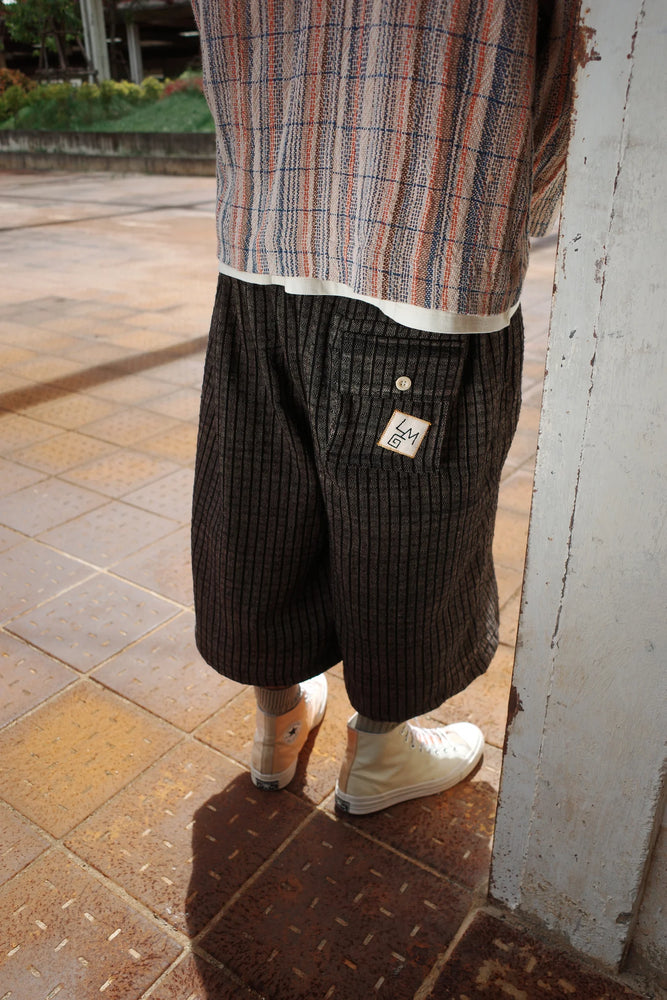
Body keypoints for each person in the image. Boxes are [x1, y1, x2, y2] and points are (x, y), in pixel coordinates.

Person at [190, 0, 578, 815]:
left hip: (262, 246)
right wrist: (525, 211)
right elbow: (558, 68)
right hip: (427, 247)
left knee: (257, 504)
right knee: (409, 528)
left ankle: (277, 722)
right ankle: (381, 756)